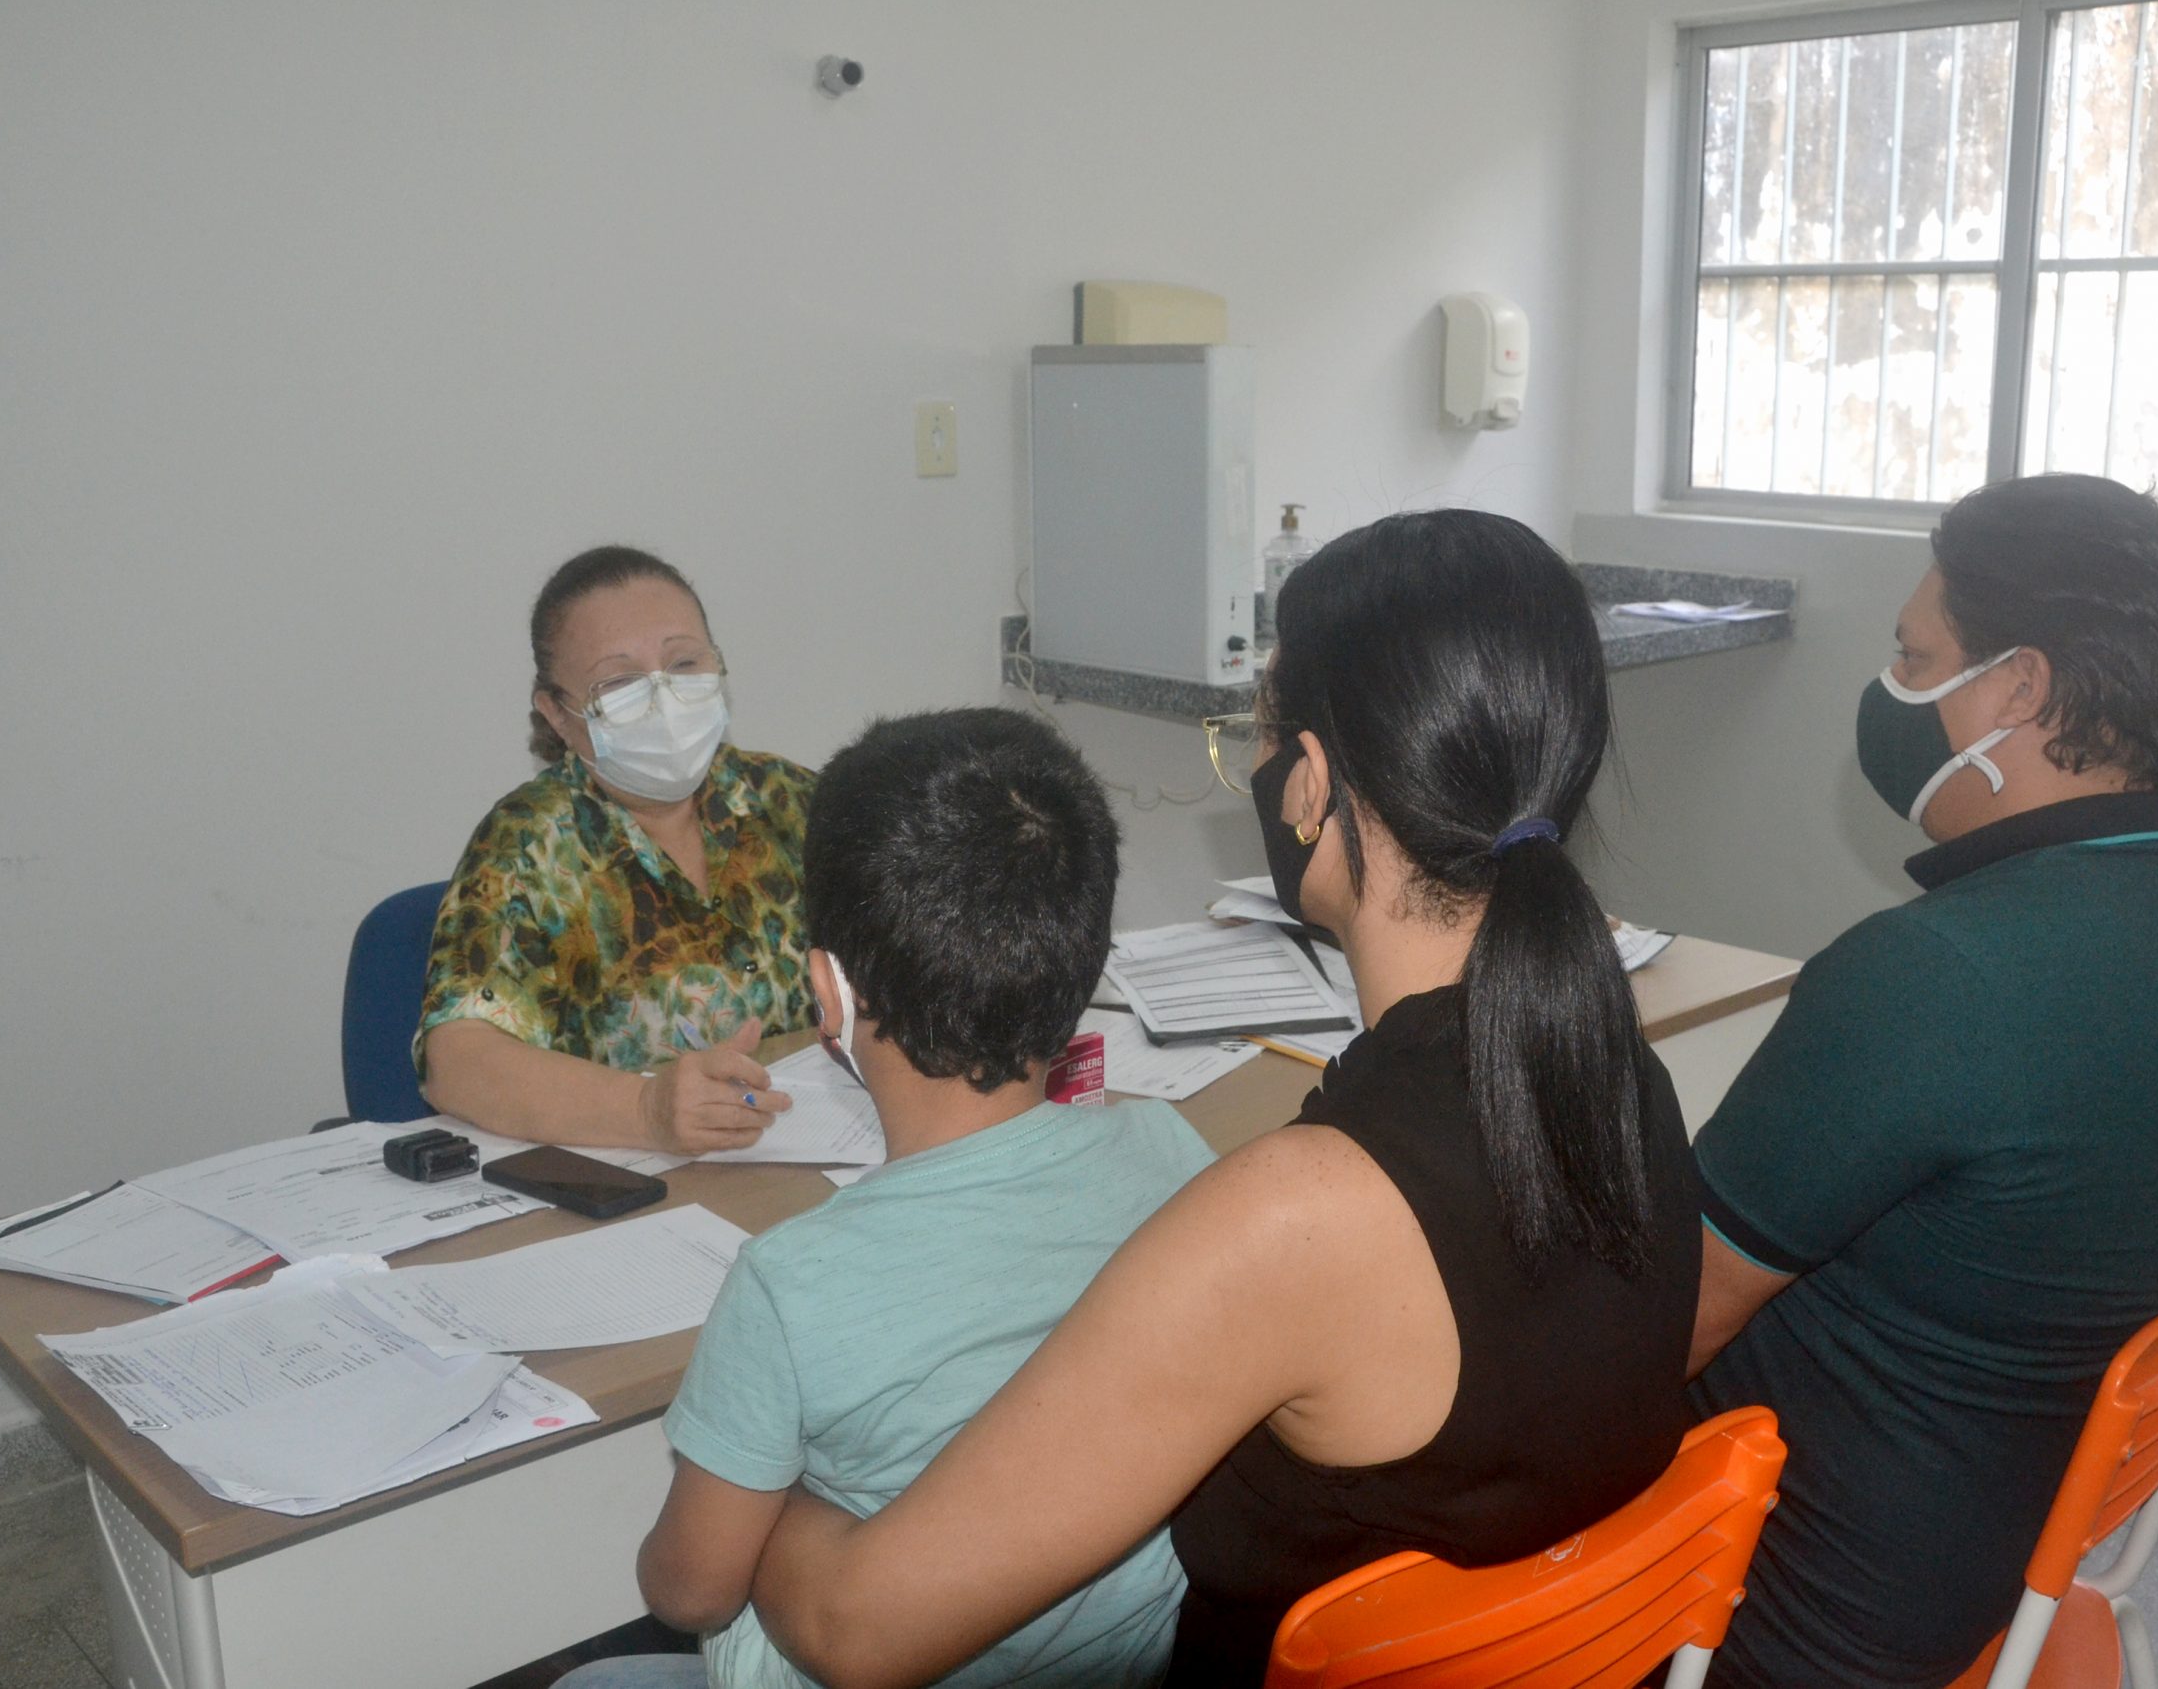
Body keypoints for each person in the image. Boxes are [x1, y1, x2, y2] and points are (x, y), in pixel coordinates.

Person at [739, 510, 1702, 1689]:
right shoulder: (1616, 1075)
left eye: (1254, 729)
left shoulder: (1301, 1215)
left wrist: (758, 1497)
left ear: (1308, 784)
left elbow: (857, 1632)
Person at [1686, 475, 2158, 1688]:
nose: (1893, 690)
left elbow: (1659, 1324)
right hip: (2005, 1567)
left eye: (1915, 657)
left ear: (2018, 688)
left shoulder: (1931, 978)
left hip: (1788, 1616)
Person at [561, 707, 1214, 1689]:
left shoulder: (792, 1284)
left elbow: (689, 1592)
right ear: (1080, 966)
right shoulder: (1174, 1160)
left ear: (827, 994)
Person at [417, 545, 814, 1155]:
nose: (664, 698)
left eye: (684, 662)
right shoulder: (530, 843)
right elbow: (459, 1061)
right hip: (636, 1185)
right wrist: (645, 1110)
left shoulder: (791, 802)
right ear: (557, 713)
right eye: (621, 683)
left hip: (817, 1159)